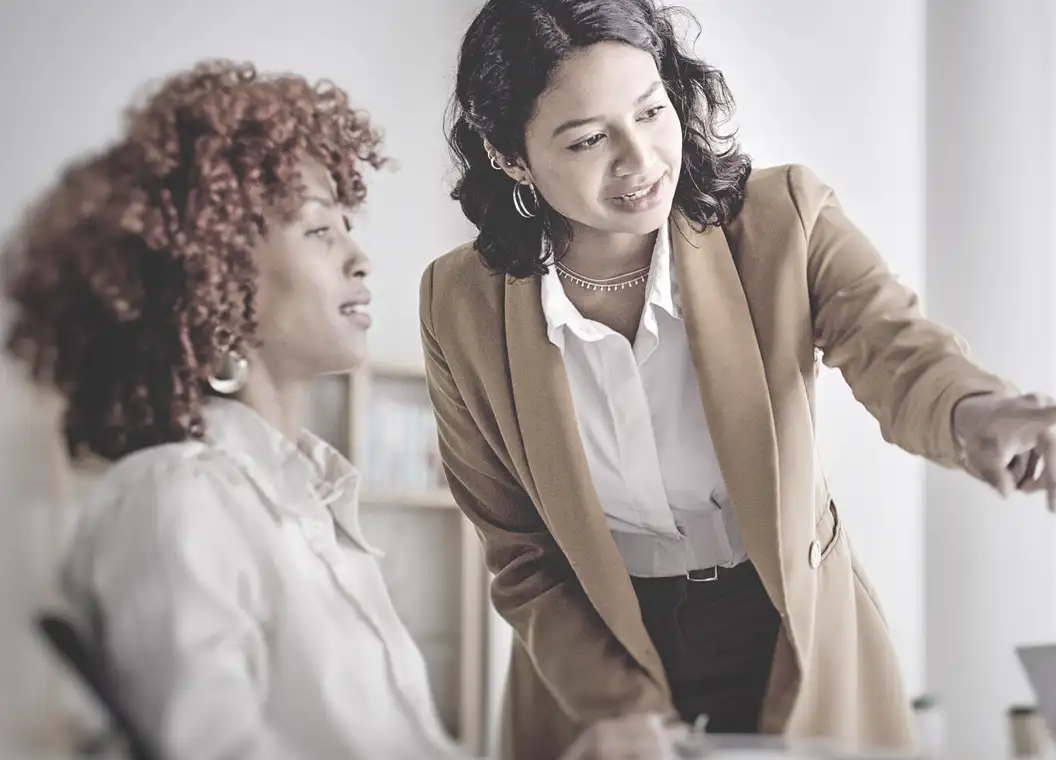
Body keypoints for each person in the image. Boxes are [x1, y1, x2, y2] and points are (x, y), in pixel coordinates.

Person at [421, 1, 1056, 758]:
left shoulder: (782, 217)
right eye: (588, 139)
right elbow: (521, 555)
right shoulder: (460, 304)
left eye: (651, 111)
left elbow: (894, 346)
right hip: (594, 657)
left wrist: (975, 410)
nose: (640, 159)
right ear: (510, 155)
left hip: (787, 629)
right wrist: (623, 707)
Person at [3, 59, 665, 760]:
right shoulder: (174, 497)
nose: (361, 259)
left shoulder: (305, 503)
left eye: (348, 226)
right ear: (212, 275)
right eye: (320, 231)